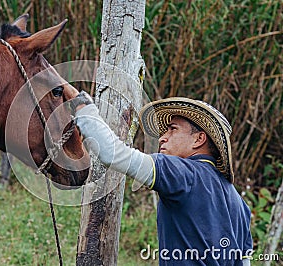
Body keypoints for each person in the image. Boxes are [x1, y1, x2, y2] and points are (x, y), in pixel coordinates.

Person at [70, 92, 253, 265]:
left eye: (172, 129)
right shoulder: (240, 204)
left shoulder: (182, 173)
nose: (162, 138)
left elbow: (113, 154)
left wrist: (83, 108)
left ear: (199, 139)